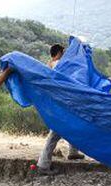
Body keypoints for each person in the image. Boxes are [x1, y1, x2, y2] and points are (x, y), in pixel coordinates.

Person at [37, 44, 84, 175]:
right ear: (59, 53)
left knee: (71, 126)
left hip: (56, 104)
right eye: (63, 52)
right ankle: (43, 165)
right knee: (55, 133)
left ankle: (73, 152)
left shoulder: (49, 65)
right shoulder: (59, 65)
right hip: (62, 104)